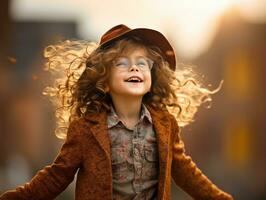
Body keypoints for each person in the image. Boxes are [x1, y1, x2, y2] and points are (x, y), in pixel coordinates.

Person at [0, 24, 234, 200]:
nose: (134, 67)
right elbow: (56, 177)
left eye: (142, 63)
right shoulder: (85, 129)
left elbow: (187, 174)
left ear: (153, 77)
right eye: (122, 63)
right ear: (104, 80)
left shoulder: (165, 125)